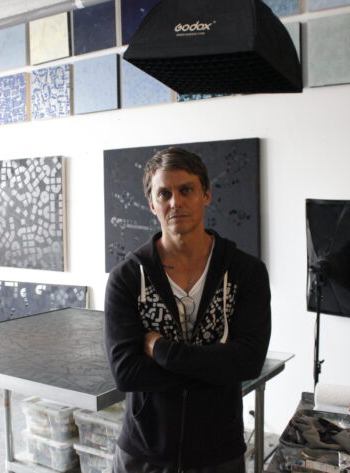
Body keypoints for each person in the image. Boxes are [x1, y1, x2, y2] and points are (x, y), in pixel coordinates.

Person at [104, 147, 272, 472]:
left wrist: (160, 349)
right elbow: (126, 373)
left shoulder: (246, 272)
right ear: (151, 203)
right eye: (164, 193)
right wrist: (213, 367)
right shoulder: (127, 277)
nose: (175, 202)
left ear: (206, 195)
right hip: (144, 453)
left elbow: (248, 362)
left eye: (186, 190)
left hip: (219, 453)